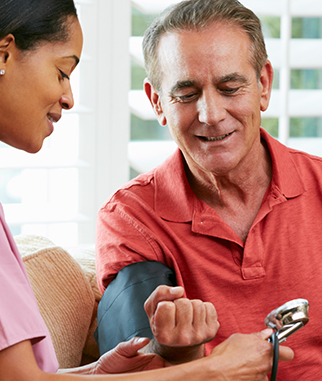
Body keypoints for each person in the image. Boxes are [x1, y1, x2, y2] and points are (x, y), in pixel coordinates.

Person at [0, 0, 292, 380]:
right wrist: (215, 370)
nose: (69, 97)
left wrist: (95, 374)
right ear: (3, 53)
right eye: (62, 71)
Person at [95, 0, 322, 379]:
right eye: (186, 94)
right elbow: (136, 372)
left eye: (230, 87)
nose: (211, 114)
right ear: (157, 102)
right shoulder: (131, 219)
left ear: (263, 85)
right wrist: (182, 353)